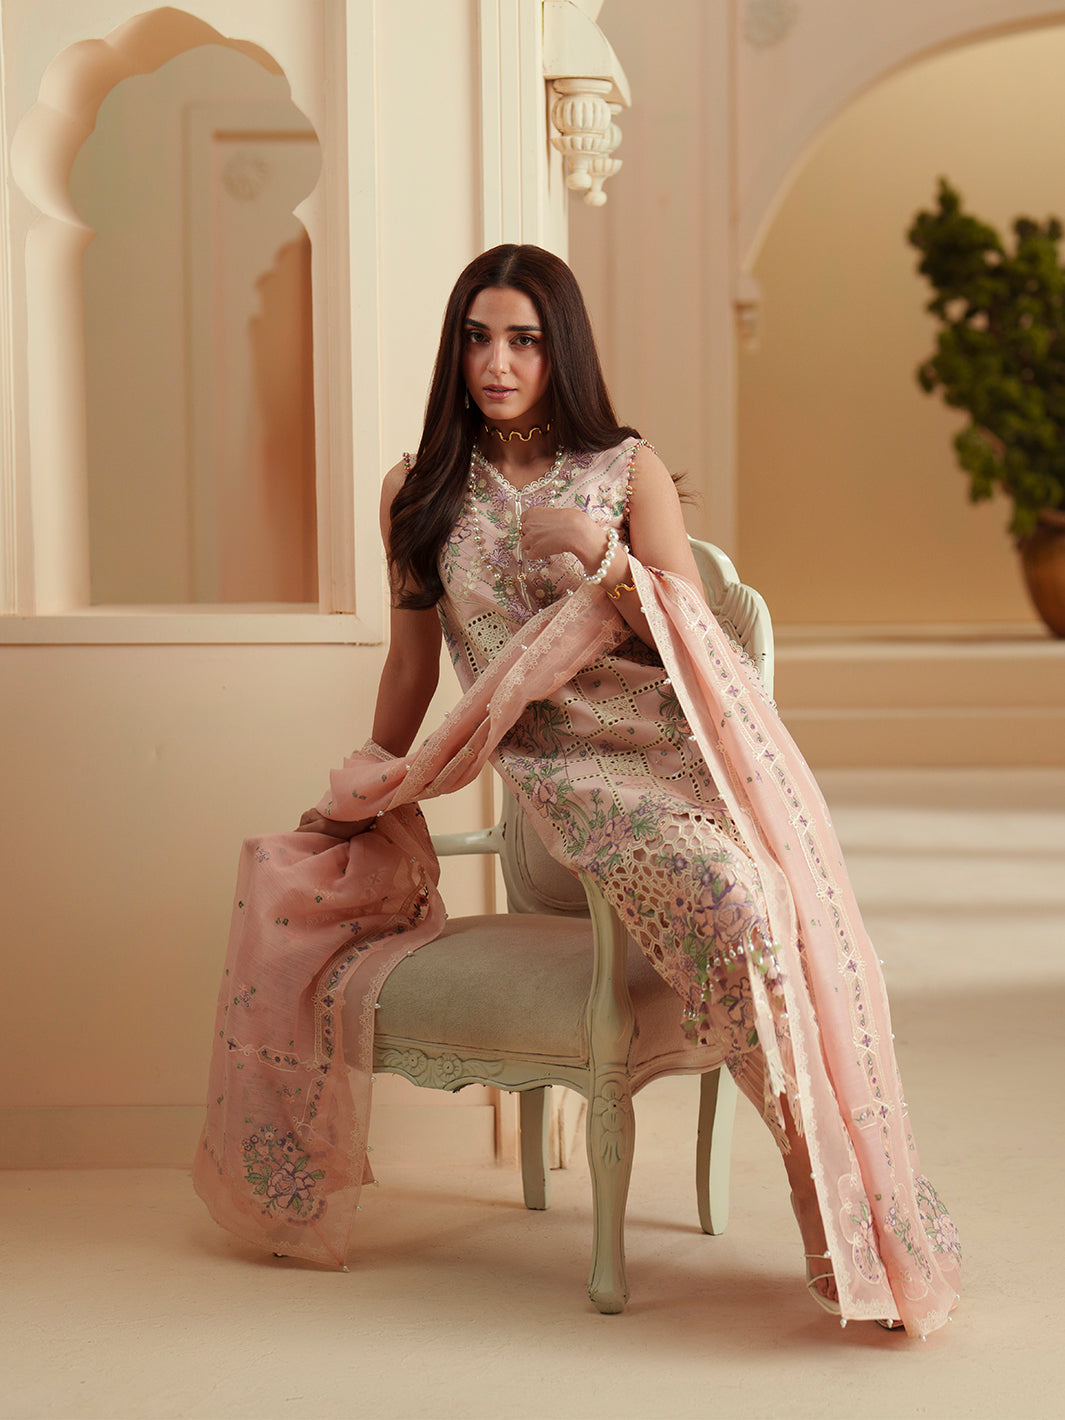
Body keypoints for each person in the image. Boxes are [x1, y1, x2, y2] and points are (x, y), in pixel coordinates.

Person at [194, 245, 960, 1337]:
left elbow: (699, 646)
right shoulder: (418, 491)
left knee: (763, 910)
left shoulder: (625, 469)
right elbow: (412, 666)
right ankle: (820, 1195)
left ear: (561, 350)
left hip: (667, 752)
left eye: (523, 340)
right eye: (477, 338)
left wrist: (607, 558)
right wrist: (374, 779)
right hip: (565, 772)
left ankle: (836, 1194)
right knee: (731, 904)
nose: (497, 363)